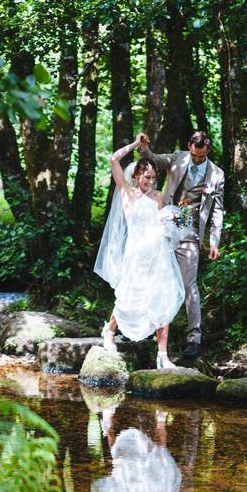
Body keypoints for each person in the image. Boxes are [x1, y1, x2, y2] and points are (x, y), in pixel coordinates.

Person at [93, 134, 185, 369]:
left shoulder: (157, 197)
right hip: (135, 255)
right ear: (136, 175)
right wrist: (136, 145)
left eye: (154, 178)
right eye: (147, 177)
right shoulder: (126, 193)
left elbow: (163, 224)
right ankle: (110, 330)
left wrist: (175, 220)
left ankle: (162, 355)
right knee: (128, 299)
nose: (151, 181)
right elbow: (114, 159)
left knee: (162, 299)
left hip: (158, 255)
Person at [139, 130, 224, 358]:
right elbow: (154, 160)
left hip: (191, 234)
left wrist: (214, 241)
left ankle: (194, 339)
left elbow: (217, 211)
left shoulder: (217, 174)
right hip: (164, 227)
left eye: (201, 156)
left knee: (189, 285)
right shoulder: (177, 158)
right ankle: (145, 330)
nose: (197, 159)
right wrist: (145, 147)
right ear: (189, 146)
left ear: (207, 151)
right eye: (194, 155)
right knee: (154, 278)